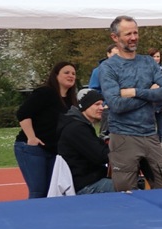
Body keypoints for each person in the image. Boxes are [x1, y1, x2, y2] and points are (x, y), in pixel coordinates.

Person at [98, 15, 162, 191]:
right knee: (126, 194)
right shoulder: (108, 68)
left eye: (135, 32)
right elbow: (116, 105)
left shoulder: (148, 61)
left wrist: (134, 92)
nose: (133, 37)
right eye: (128, 34)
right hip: (123, 137)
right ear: (115, 37)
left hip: (150, 135)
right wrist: (150, 93)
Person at [14, 62, 79, 198]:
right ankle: (33, 218)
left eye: (73, 73)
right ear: (56, 75)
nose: (71, 75)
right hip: (33, 148)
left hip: (54, 150)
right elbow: (23, 113)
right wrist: (31, 138)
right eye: (66, 72)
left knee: (52, 190)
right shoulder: (45, 93)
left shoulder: (71, 101)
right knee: (39, 190)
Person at [55, 88, 114, 195]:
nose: (102, 108)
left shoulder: (80, 125)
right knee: (129, 187)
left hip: (87, 180)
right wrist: (122, 150)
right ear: (85, 107)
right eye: (97, 104)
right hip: (85, 185)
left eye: (102, 104)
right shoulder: (77, 129)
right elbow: (101, 156)